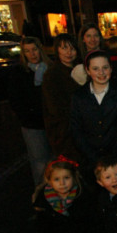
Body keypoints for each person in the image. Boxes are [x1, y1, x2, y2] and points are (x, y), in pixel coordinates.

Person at [69, 50, 117, 179]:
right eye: (95, 69)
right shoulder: (78, 96)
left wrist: (112, 158)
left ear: (111, 68)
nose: (101, 73)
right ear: (88, 70)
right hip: (89, 162)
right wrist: (93, 158)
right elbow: (76, 130)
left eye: (105, 68)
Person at [8, 36, 53, 185]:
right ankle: (41, 194)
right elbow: (15, 99)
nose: (32, 54)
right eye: (27, 51)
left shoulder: (50, 69)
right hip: (32, 124)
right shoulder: (19, 73)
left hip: (52, 122)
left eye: (34, 50)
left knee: (55, 161)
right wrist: (26, 116)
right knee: (39, 161)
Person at [42, 33, 82, 161]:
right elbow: (54, 108)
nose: (69, 52)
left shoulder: (81, 69)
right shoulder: (52, 74)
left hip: (81, 128)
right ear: (57, 50)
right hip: (64, 131)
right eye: (64, 48)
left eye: (72, 48)